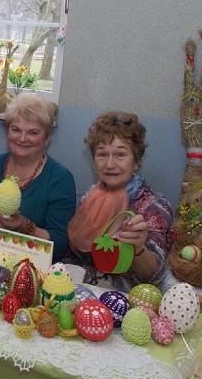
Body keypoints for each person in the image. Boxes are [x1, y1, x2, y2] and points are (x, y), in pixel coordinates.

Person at [66, 111, 173, 292]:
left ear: (136, 161)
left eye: (120, 155)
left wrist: (138, 247)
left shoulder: (153, 206)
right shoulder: (90, 197)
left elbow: (154, 276)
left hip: (126, 300)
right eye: (102, 154)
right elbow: (75, 255)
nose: (109, 164)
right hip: (85, 292)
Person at [0, 93, 76, 262]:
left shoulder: (60, 179)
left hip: (33, 270)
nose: (22, 138)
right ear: (7, 131)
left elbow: (60, 244)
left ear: (47, 138)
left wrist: (25, 227)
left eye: (33, 132)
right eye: (16, 129)